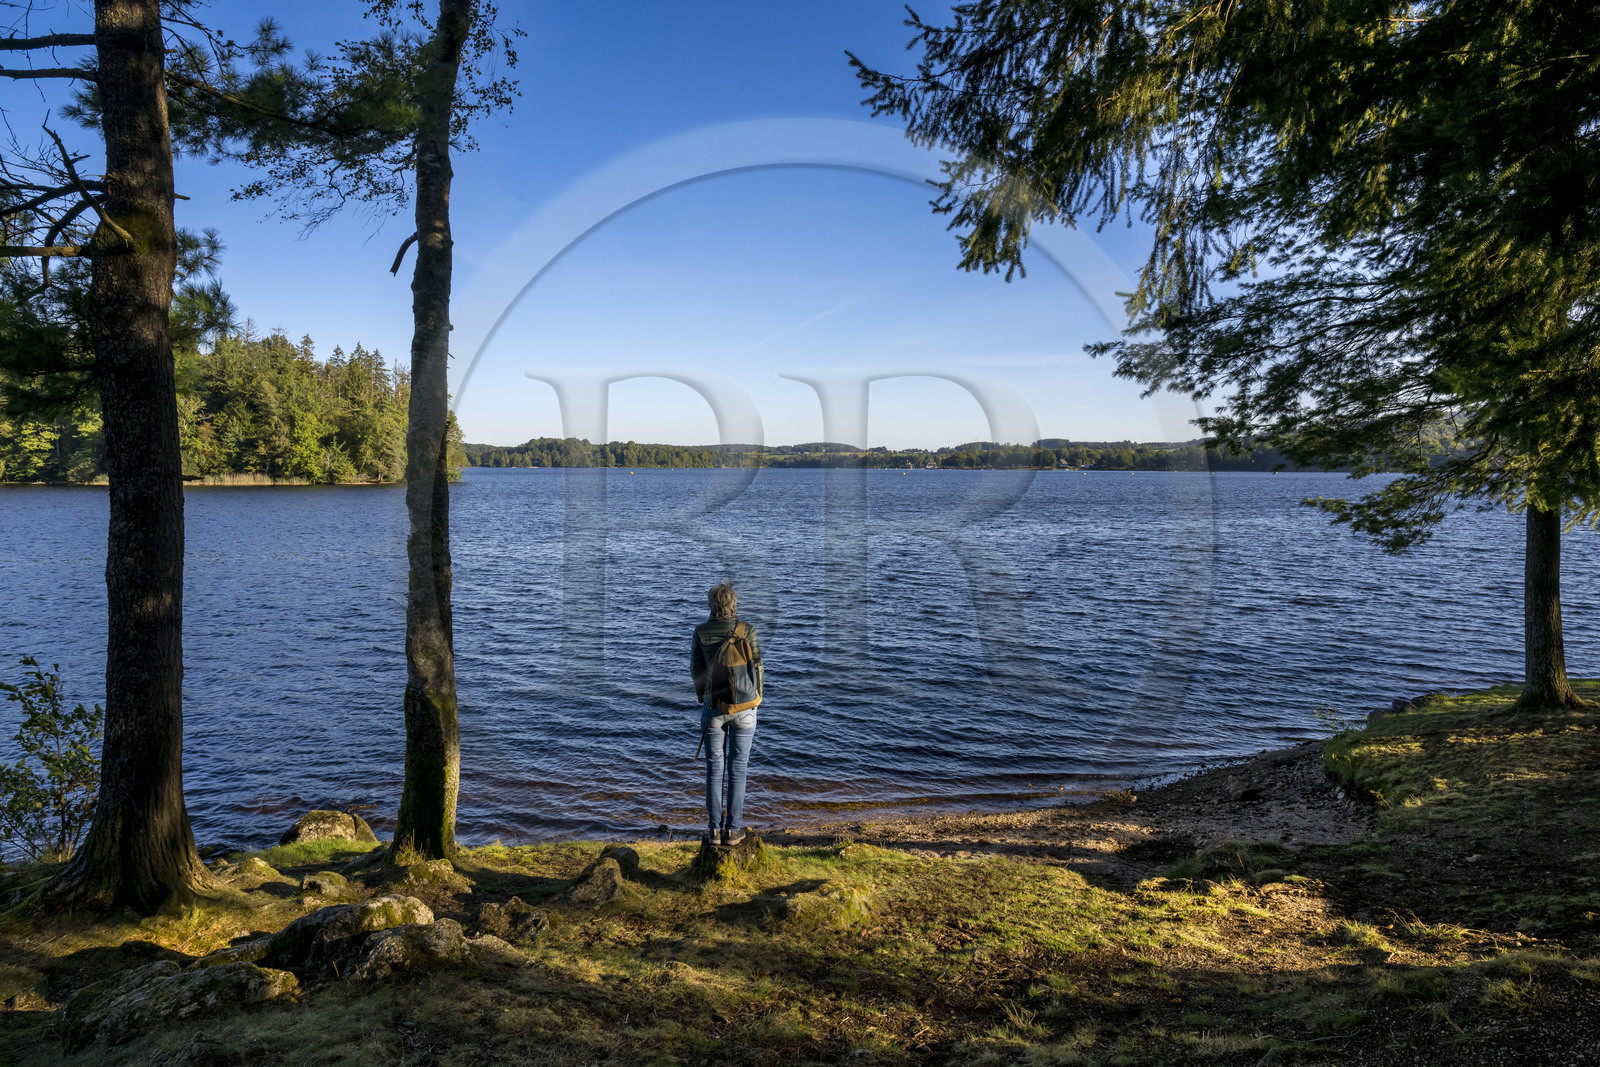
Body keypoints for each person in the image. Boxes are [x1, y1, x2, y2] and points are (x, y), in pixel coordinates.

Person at [691, 580, 762, 846]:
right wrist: (757, 698)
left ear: (711, 605)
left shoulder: (701, 631)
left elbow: (696, 671)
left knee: (714, 770)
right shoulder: (748, 630)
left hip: (713, 709)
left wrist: (703, 699)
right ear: (734, 604)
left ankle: (714, 830)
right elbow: (758, 667)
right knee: (738, 769)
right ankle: (733, 831)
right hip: (745, 707)